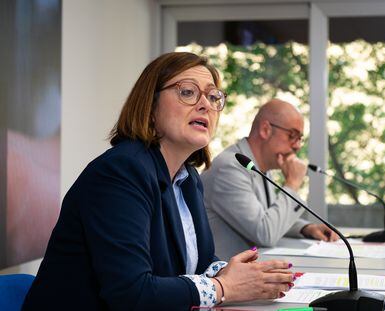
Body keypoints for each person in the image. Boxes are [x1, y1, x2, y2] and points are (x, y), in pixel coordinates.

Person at [22, 53, 295, 311]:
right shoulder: (120, 172)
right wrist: (223, 287)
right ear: (150, 107)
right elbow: (131, 293)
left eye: (213, 97)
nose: (206, 105)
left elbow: (194, 263)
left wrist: (237, 274)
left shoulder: (188, 180)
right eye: (188, 92)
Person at [201, 99, 339, 260]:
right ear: (265, 129)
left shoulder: (259, 167)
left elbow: (268, 216)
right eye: (292, 135)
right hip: (221, 278)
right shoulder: (230, 167)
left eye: (300, 138)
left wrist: (306, 228)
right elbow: (265, 232)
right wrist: (292, 184)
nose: (297, 146)